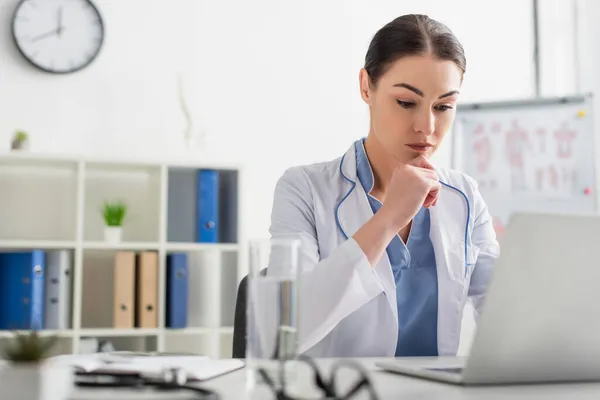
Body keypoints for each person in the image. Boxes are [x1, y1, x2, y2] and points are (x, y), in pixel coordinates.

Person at [268, 14, 500, 358]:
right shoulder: (303, 189)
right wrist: (389, 218)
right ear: (366, 87)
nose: (427, 126)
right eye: (406, 103)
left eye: (444, 106)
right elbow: (285, 330)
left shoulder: (464, 196)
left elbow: (505, 313)